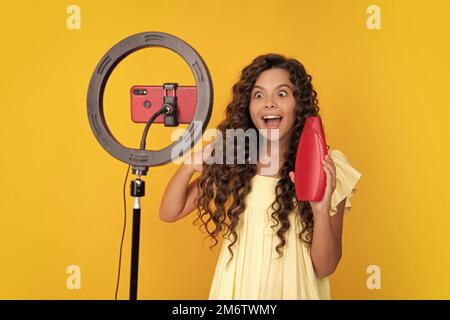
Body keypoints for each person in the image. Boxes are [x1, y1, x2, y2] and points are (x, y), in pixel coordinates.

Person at [159, 53, 362, 299]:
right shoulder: (236, 159)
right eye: (258, 95)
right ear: (248, 106)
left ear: (300, 104)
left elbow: (326, 266)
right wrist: (189, 166)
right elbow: (170, 212)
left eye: (282, 93)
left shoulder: (326, 166)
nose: (269, 103)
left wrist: (319, 211)